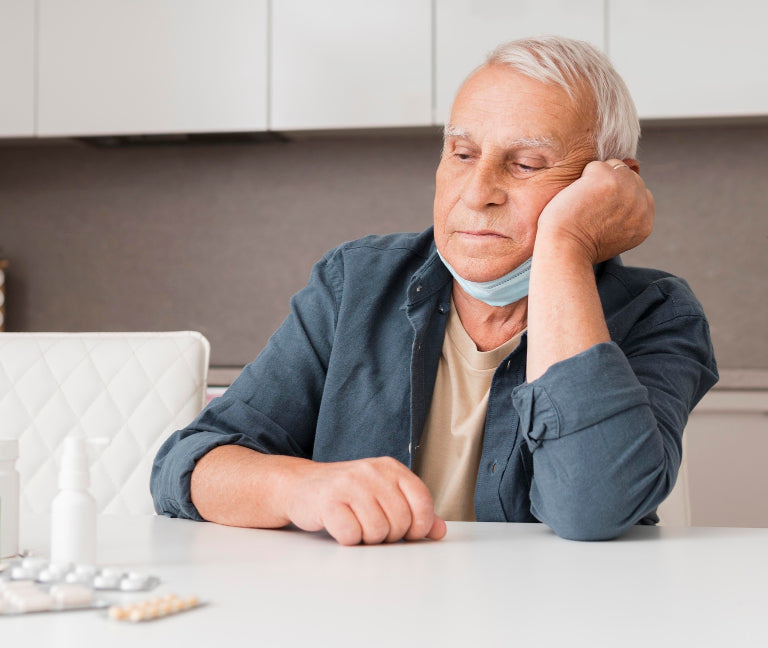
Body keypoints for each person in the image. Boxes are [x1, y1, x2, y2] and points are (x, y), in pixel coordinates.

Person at [150, 36, 718, 543]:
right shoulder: (355, 283)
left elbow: (593, 509)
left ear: (607, 185)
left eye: (524, 164)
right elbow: (190, 465)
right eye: (463, 154)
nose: (477, 193)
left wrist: (565, 246)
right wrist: (300, 487)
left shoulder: (658, 314)